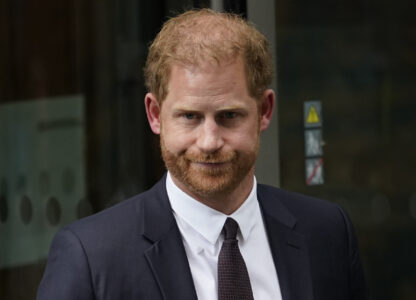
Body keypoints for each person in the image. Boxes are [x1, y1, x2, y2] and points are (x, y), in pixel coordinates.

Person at [37, 9, 367, 300]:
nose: (209, 142)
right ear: (155, 115)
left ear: (265, 111)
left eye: (229, 116)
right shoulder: (91, 256)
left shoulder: (326, 233)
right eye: (190, 117)